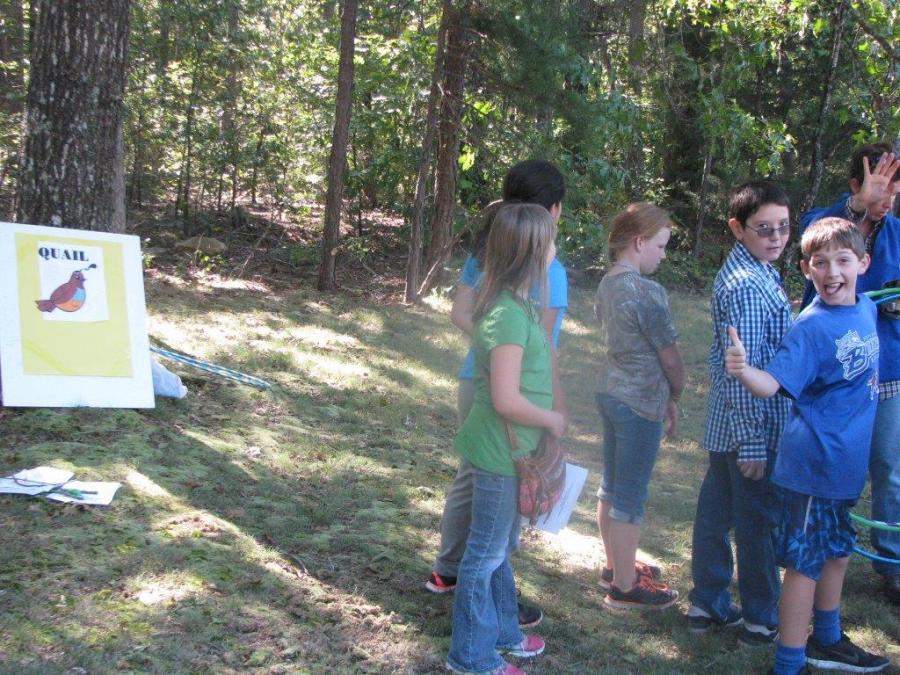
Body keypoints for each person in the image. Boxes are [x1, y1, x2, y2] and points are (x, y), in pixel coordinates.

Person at [726, 217, 889, 675]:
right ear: (806, 268)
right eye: (821, 263)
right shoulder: (811, 328)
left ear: (863, 263)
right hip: (815, 466)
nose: (832, 271)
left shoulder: (866, 310)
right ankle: (789, 662)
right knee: (805, 564)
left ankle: (828, 639)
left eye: (843, 260)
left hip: (845, 467)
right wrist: (743, 370)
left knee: (837, 551)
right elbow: (772, 383)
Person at [428, 160, 568, 629]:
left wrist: (490, 352)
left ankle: (451, 572)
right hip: (514, 399)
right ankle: (481, 598)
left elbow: (460, 315)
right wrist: (551, 409)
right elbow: (543, 348)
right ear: (551, 212)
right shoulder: (549, 269)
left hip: (478, 384)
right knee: (502, 500)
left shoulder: (486, 252)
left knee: (471, 480)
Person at [688, 182, 792, 645]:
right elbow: (743, 371)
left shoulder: (754, 269)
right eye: (764, 228)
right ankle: (759, 618)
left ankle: (706, 602)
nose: (775, 237)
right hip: (748, 429)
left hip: (724, 426)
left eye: (784, 228)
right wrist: (753, 443)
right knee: (755, 527)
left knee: (716, 515)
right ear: (737, 228)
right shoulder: (749, 285)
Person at [799, 145, 900, 605]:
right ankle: (810, 544)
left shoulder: (896, 234)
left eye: (896, 185)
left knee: (888, 465)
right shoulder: (831, 226)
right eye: (880, 183)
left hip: (887, 370)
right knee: (829, 462)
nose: (889, 194)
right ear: (856, 186)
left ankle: (890, 562)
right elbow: (809, 237)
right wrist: (857, 209)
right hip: (831, 375)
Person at [593, 202, 683, 610]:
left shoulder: (607, 283)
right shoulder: (648, 292)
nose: (663, 255)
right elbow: (670, 357)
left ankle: (616, 566)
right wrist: (676, 393)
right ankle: (625, 587)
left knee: (611, 485)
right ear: (639, 241)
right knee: (630, 494)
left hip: (610, 391)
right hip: (640, 401)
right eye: (661, 246)